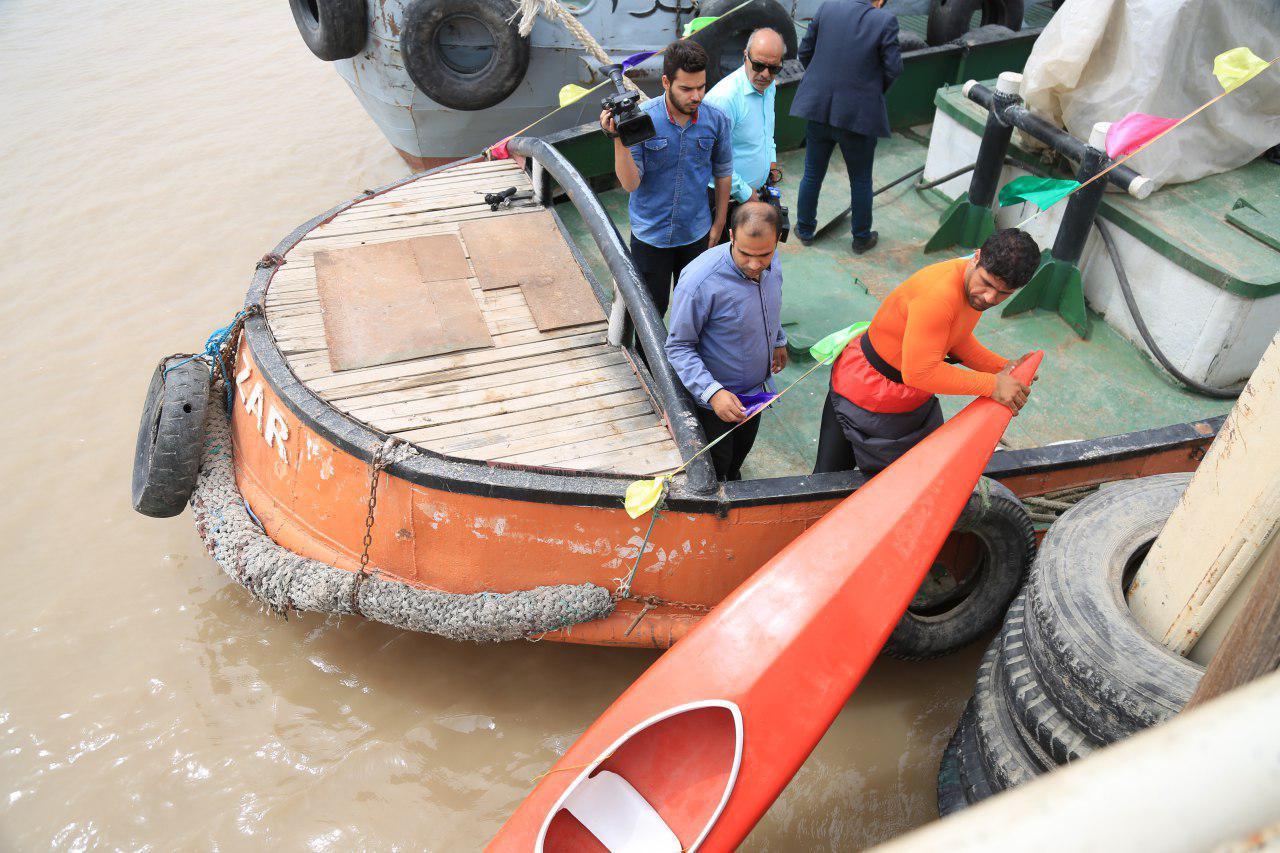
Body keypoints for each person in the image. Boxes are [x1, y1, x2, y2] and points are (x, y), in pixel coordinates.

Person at [813, 229, 1041, 477]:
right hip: (866, 391)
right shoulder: (938, 296)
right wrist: (993, 384)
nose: (989, 298)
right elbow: (920, 372)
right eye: (986, 283)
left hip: (906, 398)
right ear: (976, 257)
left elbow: (956, 338)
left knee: (902, 476)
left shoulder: (971, 290)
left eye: (1003, 293)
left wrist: (1003, 367)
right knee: (829, 477)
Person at [600, 39, 733, 318]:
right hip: (650, 238)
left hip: (695, 234)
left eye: (701, 87)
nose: (696, 96)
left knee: (694, 312)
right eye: (686, 88)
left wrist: (719, 222)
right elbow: (630, 184)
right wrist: (618, 137)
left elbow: (723, 171)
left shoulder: (717, 120)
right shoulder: (643, 119)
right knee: (650, 312)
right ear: (665, 82)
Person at [666, 202, 788, 481]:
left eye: (764, 255)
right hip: (715, 406)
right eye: (745, 254)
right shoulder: (699, 281)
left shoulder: (772, 261)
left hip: (755, 394)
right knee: (716, 471)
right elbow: (678, 346)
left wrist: (778, 339)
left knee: (736, 461)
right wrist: (712, 392)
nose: (755, 265)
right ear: (731, 236)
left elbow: (772, 298)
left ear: (777, 241)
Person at [789, 0, 902, 253]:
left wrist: (822, 82)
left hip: (818, 109)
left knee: (812, 173)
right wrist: (870, 91)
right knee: (860, 180)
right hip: (857, 117)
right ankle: (861, 238)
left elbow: (804, 52)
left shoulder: (827, 8)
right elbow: (894, 68)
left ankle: (805, 229)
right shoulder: (884, 20)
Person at [703, 27, 786, 243]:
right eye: (759, 66)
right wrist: (745, 192)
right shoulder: (724, 100)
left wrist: (771, 166)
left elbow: (767, 133)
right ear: (745, 56)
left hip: (752, 195)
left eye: (774, 68)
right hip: (726, 200)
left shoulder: (769, 87)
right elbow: (711, 158)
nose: (766, 74)